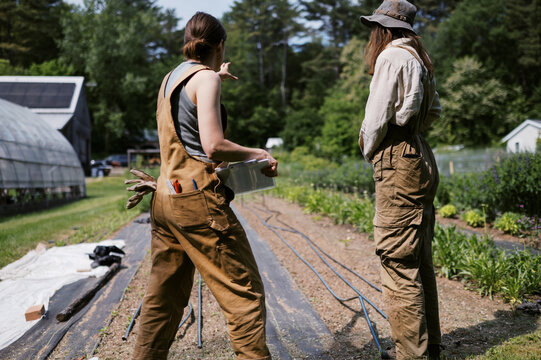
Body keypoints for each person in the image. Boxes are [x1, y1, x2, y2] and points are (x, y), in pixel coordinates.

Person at [132, 12, 276, 360]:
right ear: (221, 44)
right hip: (197, 202)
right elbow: (212, 146)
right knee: (244, 294)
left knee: (163, 297)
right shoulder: (207, 79)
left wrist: (216, 77)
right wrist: (259, 152)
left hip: (165, 200)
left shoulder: (171, 79)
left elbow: (187, 120)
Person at [358, 1, 442, 359]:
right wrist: (413, 133)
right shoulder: (419, 58)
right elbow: (434, 111)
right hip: (420, 153)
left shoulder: (391, 58)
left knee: (397, 262)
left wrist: (369, 149)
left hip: (397, 156)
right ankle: (429, 346)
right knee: (418, 257)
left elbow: (375, 119)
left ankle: (412, 354)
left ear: (385, 29)